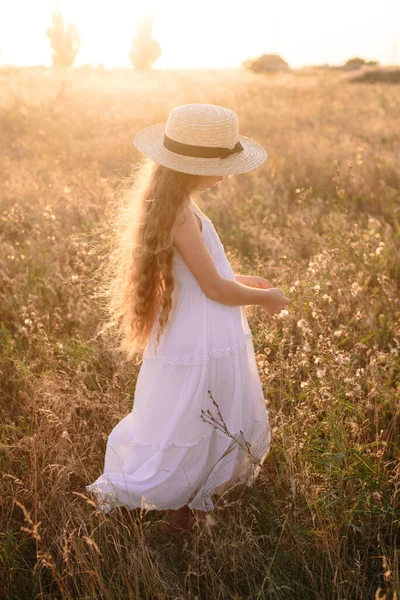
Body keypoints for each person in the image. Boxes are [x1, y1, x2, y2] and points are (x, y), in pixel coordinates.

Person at [85, 103, 289, 532]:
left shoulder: (178, 205)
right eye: (222, 164)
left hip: (201, 327)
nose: (228, 173)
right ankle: (178, 503)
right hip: (200, 335)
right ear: (192, 166)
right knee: (194, 412)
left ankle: (194, 497)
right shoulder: (179, 213)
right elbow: (213, 288)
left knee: (196, 409)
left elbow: (206, 274)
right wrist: (266, 298)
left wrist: (247, 281)